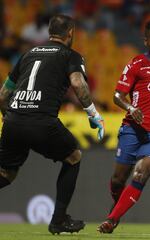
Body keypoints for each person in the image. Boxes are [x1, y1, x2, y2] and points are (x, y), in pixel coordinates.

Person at [0, 14, 104, 235]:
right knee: (74, 156)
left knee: (6, 174)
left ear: (50, 32)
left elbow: (3, 95)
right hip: (41, 121)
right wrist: (93, 114)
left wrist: (9, 118)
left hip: (13, 119)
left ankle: (59, 220)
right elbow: (78, 83)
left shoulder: (28, 54)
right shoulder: (70, 55)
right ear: (71, 33)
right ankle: (58, 220)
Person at [97, 19, 150, 233]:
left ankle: (112, 220)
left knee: (141, 172)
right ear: (146, 41)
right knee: (117, 181)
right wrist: (130, 108)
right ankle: (116, 206)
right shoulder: (137, 64)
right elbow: (117, 95)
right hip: (132, 129)